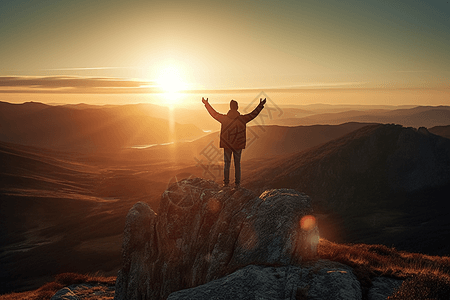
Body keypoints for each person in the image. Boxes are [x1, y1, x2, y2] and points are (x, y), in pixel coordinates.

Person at [202, 97, 266, 188]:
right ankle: (237, 184)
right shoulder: (243, 119)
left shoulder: (224, 118)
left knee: (227, 164)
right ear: (237, 107)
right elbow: (253, 114)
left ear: (230, 107)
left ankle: (226, 184)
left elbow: (214, 114)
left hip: (227, 145)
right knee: (237, 164)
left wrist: (206, 104)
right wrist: (261, 105)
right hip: (238, 145)